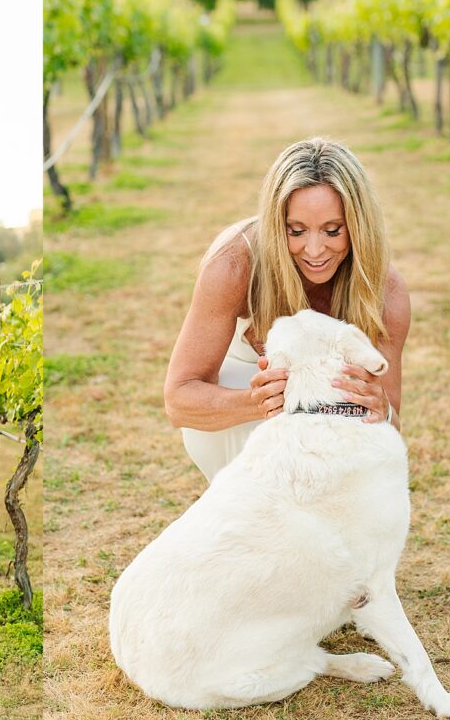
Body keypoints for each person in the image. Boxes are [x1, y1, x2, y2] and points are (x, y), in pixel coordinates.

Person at [164, 138, 411, 482]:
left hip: (325, 422)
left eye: (333, 230)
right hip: (238, 416)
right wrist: (264, 401)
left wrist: (380, 409)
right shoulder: (234, 264)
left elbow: (392, 422)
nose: (314, 249)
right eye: (295, 231)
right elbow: (179, 401)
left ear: (359, 224)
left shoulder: (386, 292)